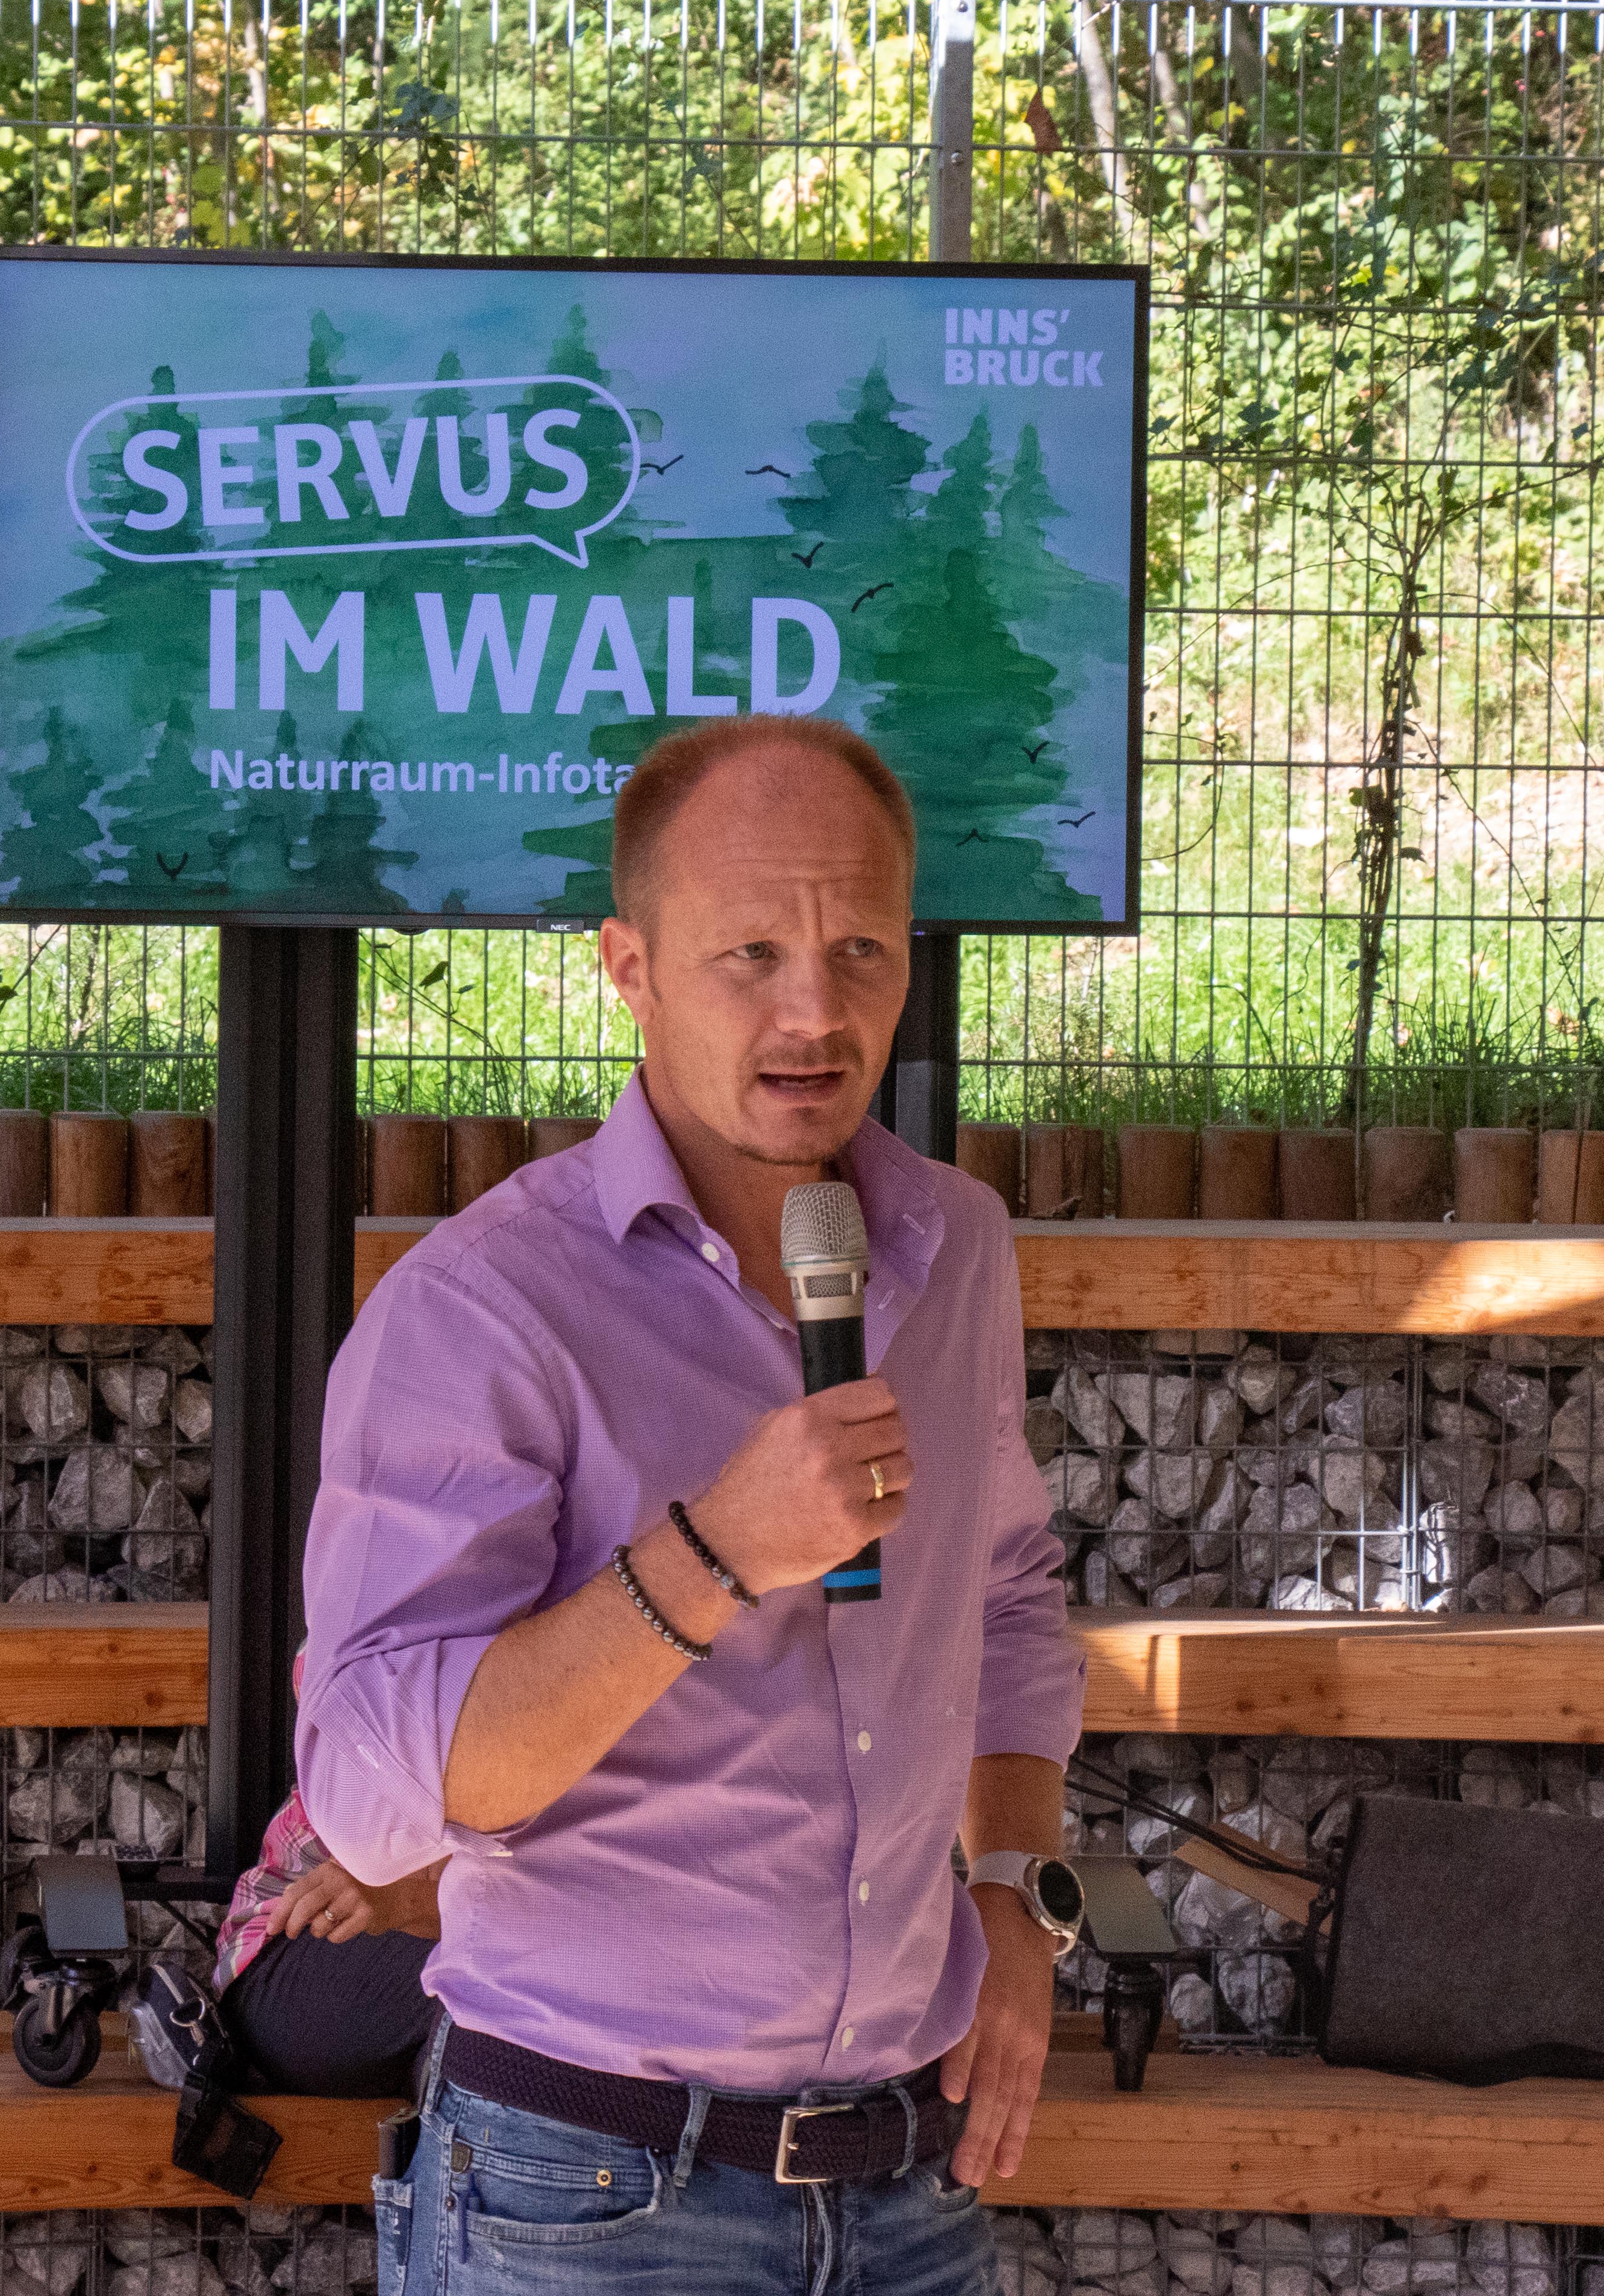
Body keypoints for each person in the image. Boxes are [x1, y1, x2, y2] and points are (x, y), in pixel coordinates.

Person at [298, 715, 1082, 2292]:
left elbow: (1003, 1596)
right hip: (586, 2197)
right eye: (750, 954)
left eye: (860, 948)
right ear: (630, 966)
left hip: (908, 2186)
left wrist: (1016, 1890)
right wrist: (713, 1554)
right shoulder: (483, 1307)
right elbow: (370, 1794)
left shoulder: (959, 1247)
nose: (816, 1010)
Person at [211, 1769, 445, 2097]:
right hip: (283, 1955)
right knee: (486, 1980)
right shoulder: (397, 1765)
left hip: (386, 1965)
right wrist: (405, 1901)